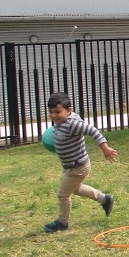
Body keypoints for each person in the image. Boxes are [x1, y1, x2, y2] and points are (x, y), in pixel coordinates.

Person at [43, 91, 118, 233]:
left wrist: (105, 148)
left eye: (57, 112)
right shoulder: (62, 122)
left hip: (77, 167)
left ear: (69, 111)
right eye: (51, 112)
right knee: (76, 189)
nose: (53, 115)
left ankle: (62, 223)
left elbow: (93, 131)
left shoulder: (72, 124)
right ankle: (105, 199)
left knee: (63, 195)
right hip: (72, 166)